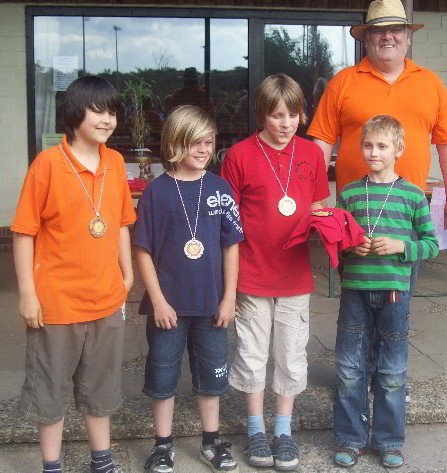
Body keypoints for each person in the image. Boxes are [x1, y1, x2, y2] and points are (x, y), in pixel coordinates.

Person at [11, 75, 136, 473]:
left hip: (106, 300)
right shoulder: (47, 164)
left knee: (101, 388)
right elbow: (24, 232)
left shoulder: (115, 162)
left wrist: (127, 274)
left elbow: (120, 223)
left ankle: (103, 460)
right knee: (49, 391)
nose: (107, 120)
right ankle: (52, 465)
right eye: (98, 110)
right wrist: (28, 294)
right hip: (57, 304)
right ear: (75, 112)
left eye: (112, 112)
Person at [221, 74, 330, 471]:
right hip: (252, 274)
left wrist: (330, 225)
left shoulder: (312, 154)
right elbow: (228, 222)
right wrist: (227, 285)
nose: (286, 124)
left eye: (293, 115)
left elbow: (318, 206)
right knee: (251, 354)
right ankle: (255, 428)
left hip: (294, 276)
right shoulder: (239, 156)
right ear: (261, 114)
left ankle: (283, 429)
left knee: (291, 353)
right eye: (277, 115)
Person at [132, 105, 243, 473]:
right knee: (162, 376)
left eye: (209, 142)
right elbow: (142, 250)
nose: (203, 149)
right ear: (175, 143)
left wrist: (229, 297)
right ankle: (162, 446)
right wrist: (158, 301)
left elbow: (231, 245)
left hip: (211, 305)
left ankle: (211, 442)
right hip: (168, 308)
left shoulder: (220, 188)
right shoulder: (157, 192)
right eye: (195, 142)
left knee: (211, 377)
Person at [334, 115, 439, 469]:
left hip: (395, 293)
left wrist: (401, 245)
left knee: (392, 371)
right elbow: (337, 243)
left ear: (399, 150)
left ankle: (388, 440)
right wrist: (351, 247)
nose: (373, 152)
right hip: (355, 291)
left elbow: (431, 244)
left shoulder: (413, 195)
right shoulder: (350, 193)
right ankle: (350, 438)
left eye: (382, 146)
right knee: (349, 367)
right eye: (368, 145)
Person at [308, 0, 447, 226]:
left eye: (395, 29)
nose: (387, 36)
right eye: (378, 30)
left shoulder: (431, 83)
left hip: (410, 214)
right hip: (355, 212)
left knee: (412, 251)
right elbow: (321, 144)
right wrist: (315, 199)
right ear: (366, 39)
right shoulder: (342, 82)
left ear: (408, 37)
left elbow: (445, 145)